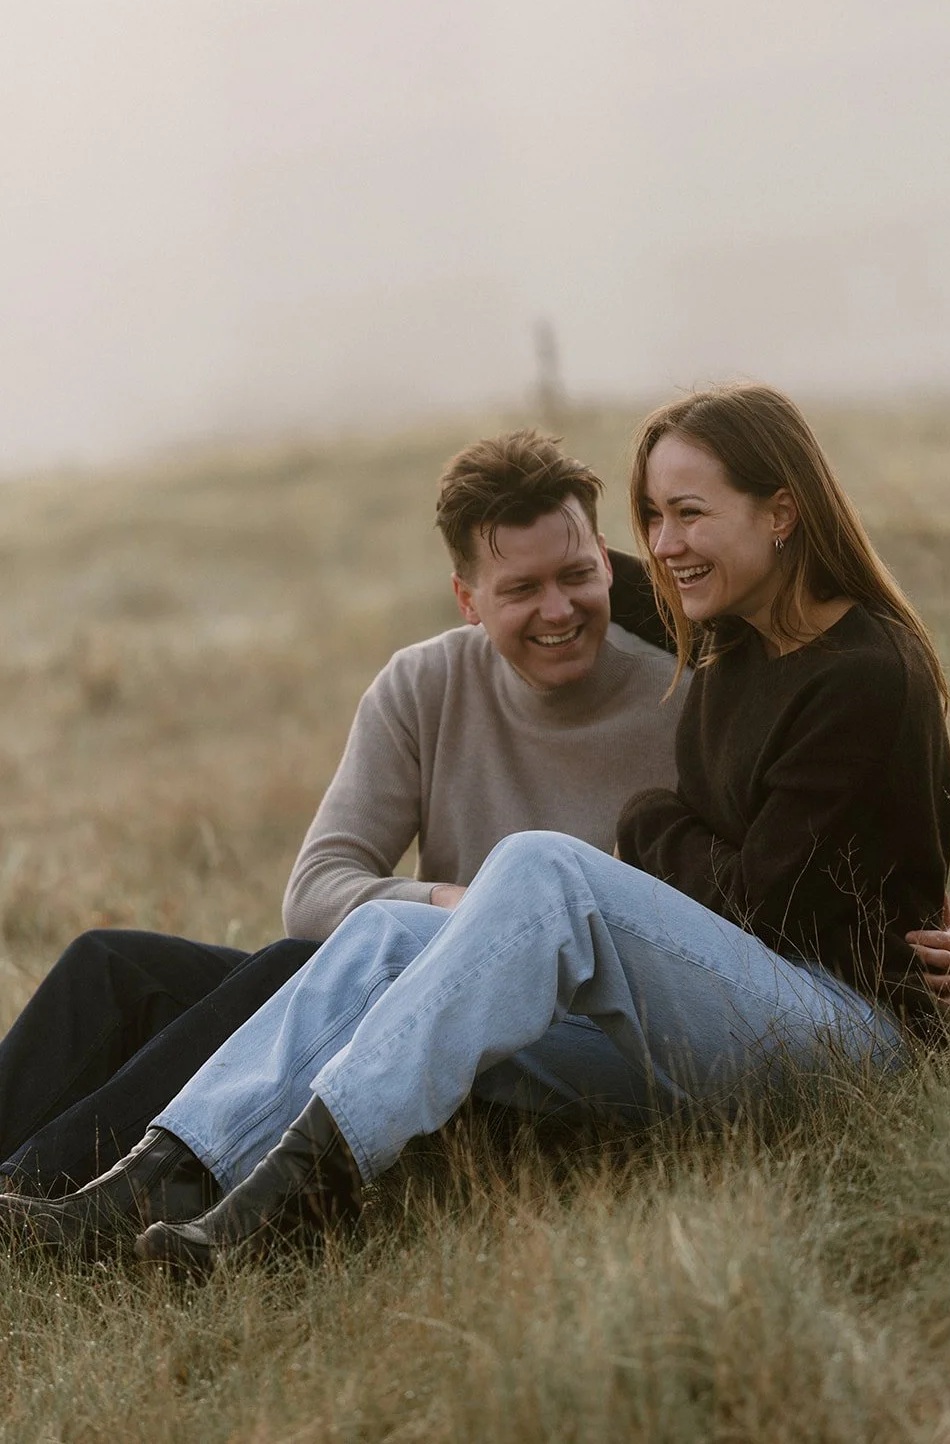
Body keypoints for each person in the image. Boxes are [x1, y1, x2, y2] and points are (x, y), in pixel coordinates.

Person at [109, 380, 950, 1276]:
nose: (664, 546)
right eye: (649, 517)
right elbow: (561, 578)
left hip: (845, 1042)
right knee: (393, 928)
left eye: (688, 513)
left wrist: (649, 821)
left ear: (781, 512)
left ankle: (301, 1197)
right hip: (731, 1020)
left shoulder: (862, 674)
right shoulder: (728, 626)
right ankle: (168, 1174)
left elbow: (766, 907)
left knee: (542, 868)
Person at [0, 429, 683, 1237]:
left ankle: (52, 1207)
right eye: (521, 589)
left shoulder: (684, 706)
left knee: (294, 971)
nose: (558, 610)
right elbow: (319, 885)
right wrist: (461, 906)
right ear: (467, 599)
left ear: (606, 560)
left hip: (534, 1052)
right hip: (390, 984)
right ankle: (19, 1184)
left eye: (576, 576)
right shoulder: (425, 684)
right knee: (110, 967)